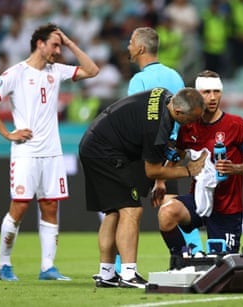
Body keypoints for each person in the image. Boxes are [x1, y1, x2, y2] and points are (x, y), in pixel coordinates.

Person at [0, 23, 99, 281]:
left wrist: (69, 42)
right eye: (55, 45)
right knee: (19, 207)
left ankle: (47, 268)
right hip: (26, 152)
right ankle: (3, 265)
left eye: (60, 45)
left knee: (50, 207)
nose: (58, 50)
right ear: (39, 44)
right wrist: (7, 133)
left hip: (52, 152)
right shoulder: (16, 73)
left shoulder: (57, 70)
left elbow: (92, 70)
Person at [155, 70, 243, 283]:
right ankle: (180, 261)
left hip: (227, 207)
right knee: (166, 214)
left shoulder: (235, 125)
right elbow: (178, 155)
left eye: (216, 92)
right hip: (199, 201)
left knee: (223, 276)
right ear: (197, 94)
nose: (212, 98)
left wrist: (235, 168)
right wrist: (160, 180)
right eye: (206, 92)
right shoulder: (189, 126)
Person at [79, 87, 207, 288]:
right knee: (132, 209)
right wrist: (188, 171)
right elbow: (152, 171)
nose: (193, 123)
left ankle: (106, 274)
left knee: (114, 211)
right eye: (191, 119)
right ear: (179, 112)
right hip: (106, 152)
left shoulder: (164, 95)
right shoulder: (155, 127)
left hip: (95, 144)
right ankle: (129, 275)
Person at [126, 26, 203, 254]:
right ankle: (197, 255)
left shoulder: (138, 81)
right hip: (172, 151)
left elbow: (136, 124)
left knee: (127, 211)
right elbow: (183, 119)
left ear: (140, 48)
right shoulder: (175, 76)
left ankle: (121, 269)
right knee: (174, 206)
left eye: (131, 42)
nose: (128, 46)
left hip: (144, 154)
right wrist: (170, 160)